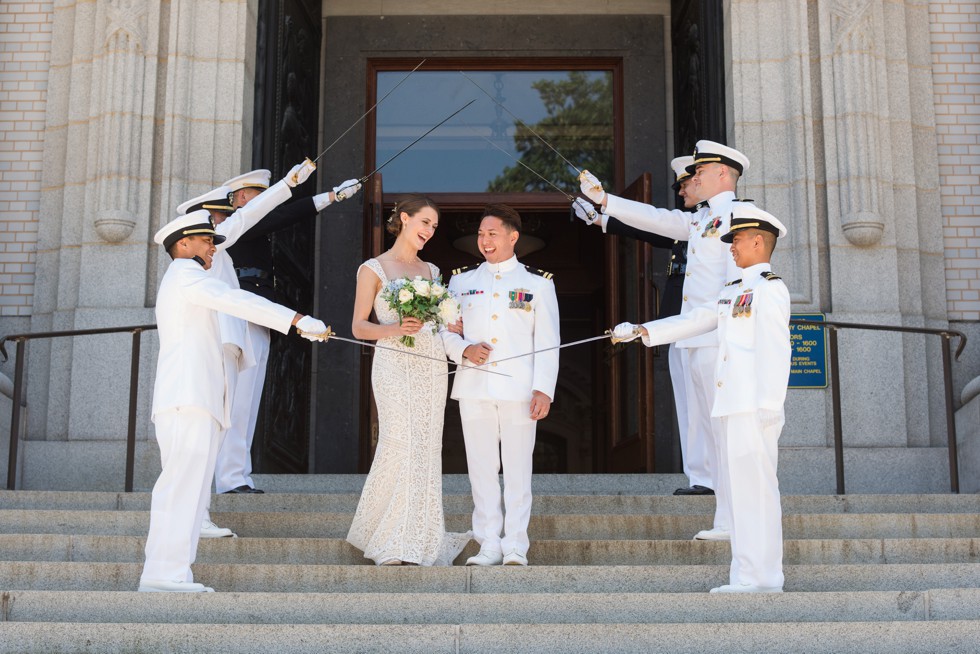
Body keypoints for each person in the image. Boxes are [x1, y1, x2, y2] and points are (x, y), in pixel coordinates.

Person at [139, 210, 327, 592]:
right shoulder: (186, 274)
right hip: (188, 399)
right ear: (183, 244)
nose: (213, 248)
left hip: (200, 399)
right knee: (181, 488)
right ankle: (162, 574)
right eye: (207, 241)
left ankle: (173, 572)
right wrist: (296, 320)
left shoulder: (193, 277)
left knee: (191, 493)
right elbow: (234, 299)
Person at [578, 140, 754, 541]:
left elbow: (734, 290)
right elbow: (659, 220)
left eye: (702, 172)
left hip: (716, 340)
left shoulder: (741, 217)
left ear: (723, 174)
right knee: (708, 431)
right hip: (693, 338)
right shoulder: (703, 219)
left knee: (725, 434)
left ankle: (735, 519)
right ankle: (725, 519)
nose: (695, 178)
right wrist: (606, 200)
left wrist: (653, 331)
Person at [612, 205, 790, 593]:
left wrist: (769, 411)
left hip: (754, 409)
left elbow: (777, 353)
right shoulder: (732, 292)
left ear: (759, 241)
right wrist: (643, 330)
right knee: (740, 494)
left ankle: (765, 576)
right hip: (729, 407)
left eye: (737, 240)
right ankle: (746, 575)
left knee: (758, 492)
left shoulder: (770, 289)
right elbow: (694, 320)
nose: (731, 247)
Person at [213, 168, 361, 495]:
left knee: (247, 401)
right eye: (257, 196)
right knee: (234, 401)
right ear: (239, 199)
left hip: (260, 316)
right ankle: (227, 477)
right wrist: (331, 196)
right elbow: (282, 215)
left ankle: (234, 475)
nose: (264, 203)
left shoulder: (253, 226)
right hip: (238, 316)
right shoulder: (233, 224)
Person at [573, 156, 713, 495]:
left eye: (685, 183)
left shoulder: (715, 223)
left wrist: (606, 211)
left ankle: (712, 478)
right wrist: (604, 219)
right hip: (678, 322)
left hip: (707, 327)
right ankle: (701, 477)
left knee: (707, 406)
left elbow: (658, 224)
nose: (681, 191)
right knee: (687, 402)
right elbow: (652, 225)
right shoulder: (694, 222)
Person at [346, 195, 471, 566]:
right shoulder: (373, 269)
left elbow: (440, 320)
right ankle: (387, 538)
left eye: (434, 226)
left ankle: (418, 538)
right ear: (404, 219)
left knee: (426, 448)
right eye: (425, 223)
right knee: (400, 442)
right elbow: (358, 326)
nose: (430, 232)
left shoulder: (432, 272)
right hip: (393, 364)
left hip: (431, 365)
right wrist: (396, 328)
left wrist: (451, 324)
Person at [441, 204, 560, 566]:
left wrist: (544, 388)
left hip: (520, 391)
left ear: (512, 236)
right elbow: (444, 332)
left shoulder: (538, 283)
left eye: (492, 233)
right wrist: (464, 350)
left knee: (518, 469)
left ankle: (516, 545)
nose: (484, 240)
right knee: (481, 470)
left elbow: (549, 340)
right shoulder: (461, 281)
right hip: (473, 387)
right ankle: (488, 542)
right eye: (480, 234)